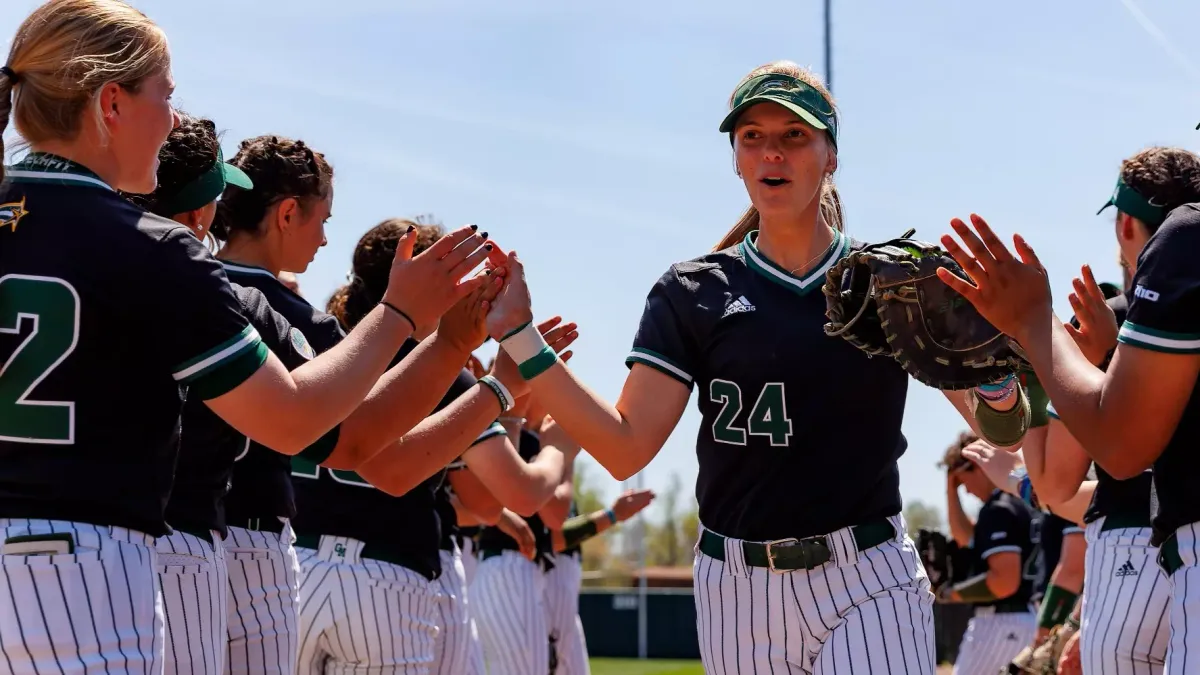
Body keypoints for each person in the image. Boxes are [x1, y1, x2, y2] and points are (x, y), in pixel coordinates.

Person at [478, 59, 1027, 673]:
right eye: (753, 137)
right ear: (736, 157)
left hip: (869, 572)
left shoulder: (887, 284)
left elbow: (1000, 428)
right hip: (737, 585)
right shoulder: (691, 293)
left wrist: (1001, 379)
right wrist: (522, 337)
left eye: (795, 135)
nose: (773, 153)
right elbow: (624, 446)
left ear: (831, 155)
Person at [0, 3, 490, 672]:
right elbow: (293, 421)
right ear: (110, 104)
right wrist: (401, 315)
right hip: (87, 579)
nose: (171, 118)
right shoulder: (150, 247)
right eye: (164, 94)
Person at [123, 114, 507, 675]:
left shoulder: (131, 273)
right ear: (285, 213)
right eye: (321, 219)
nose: (325, 237)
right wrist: (469, 362)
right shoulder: (296, 319)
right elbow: (375, 454)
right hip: (249, 549)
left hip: (127, 534)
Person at [939, 148, 1200, 673]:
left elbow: (1057, 481)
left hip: (1135, 554)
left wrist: (1033, 346)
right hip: (1160, 551)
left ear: (1126, 222)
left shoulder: (1121, 316)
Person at [291, 218, 577, 675]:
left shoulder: (322, 344)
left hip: (296, 566)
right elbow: (497, 498)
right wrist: (540, 428)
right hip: (388, 574)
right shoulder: (439, 367)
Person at [939, 433, 1037, 674]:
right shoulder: (1012, 501)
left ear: (979, 467)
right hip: (1018, 620)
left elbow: (1004, 582)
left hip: (1001, 623)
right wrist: (950, 489)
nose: (967, 491)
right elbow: (964, 537)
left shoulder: (998, 509)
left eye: (964, 482)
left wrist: (951, 594)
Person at [544, 489, 656, 675]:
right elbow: (550, 538)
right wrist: (612, 514)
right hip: (548, 585)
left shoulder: (561, 473)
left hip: (565, 595)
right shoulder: (542, 468)